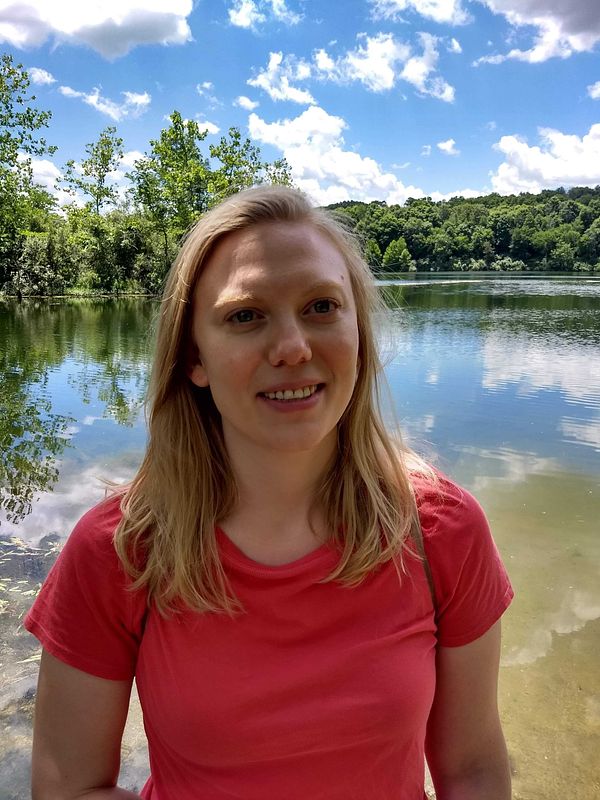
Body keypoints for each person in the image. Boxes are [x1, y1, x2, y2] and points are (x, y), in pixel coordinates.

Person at [25, 186, 513, 800]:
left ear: (359, 334)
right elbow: (67, 788)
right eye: (245, 316)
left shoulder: (442, 530)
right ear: (194, 358)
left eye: (321, 306)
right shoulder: (120, 550)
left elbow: (472, 770)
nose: (292, 348)